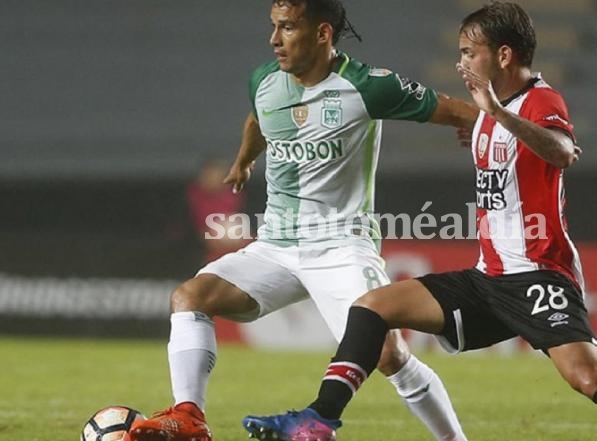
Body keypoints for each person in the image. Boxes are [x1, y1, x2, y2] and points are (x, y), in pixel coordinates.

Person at [241, 2, 597, 441]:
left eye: (470, 52)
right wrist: (485, 121)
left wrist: (496, 114)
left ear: (503, 55)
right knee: (371, 307)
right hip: (488, 278)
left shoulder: (540, 101)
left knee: (591, 379)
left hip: (537, 273)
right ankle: (319, 420)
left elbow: (561, 152)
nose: (462, 63)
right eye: (458, 52)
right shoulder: (488, 113)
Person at [127, 1, 479, 441]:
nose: (275, 39)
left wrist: (480, 127)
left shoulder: (369, 86)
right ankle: (190, 417)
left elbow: (456, 109)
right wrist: (242, 162)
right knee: (190, 297)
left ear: (322, 33)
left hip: (340, 245)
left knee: (389, 355)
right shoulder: (265, 81)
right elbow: (259, 117)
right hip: (276, 247)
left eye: (288, 27)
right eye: (274, 27)